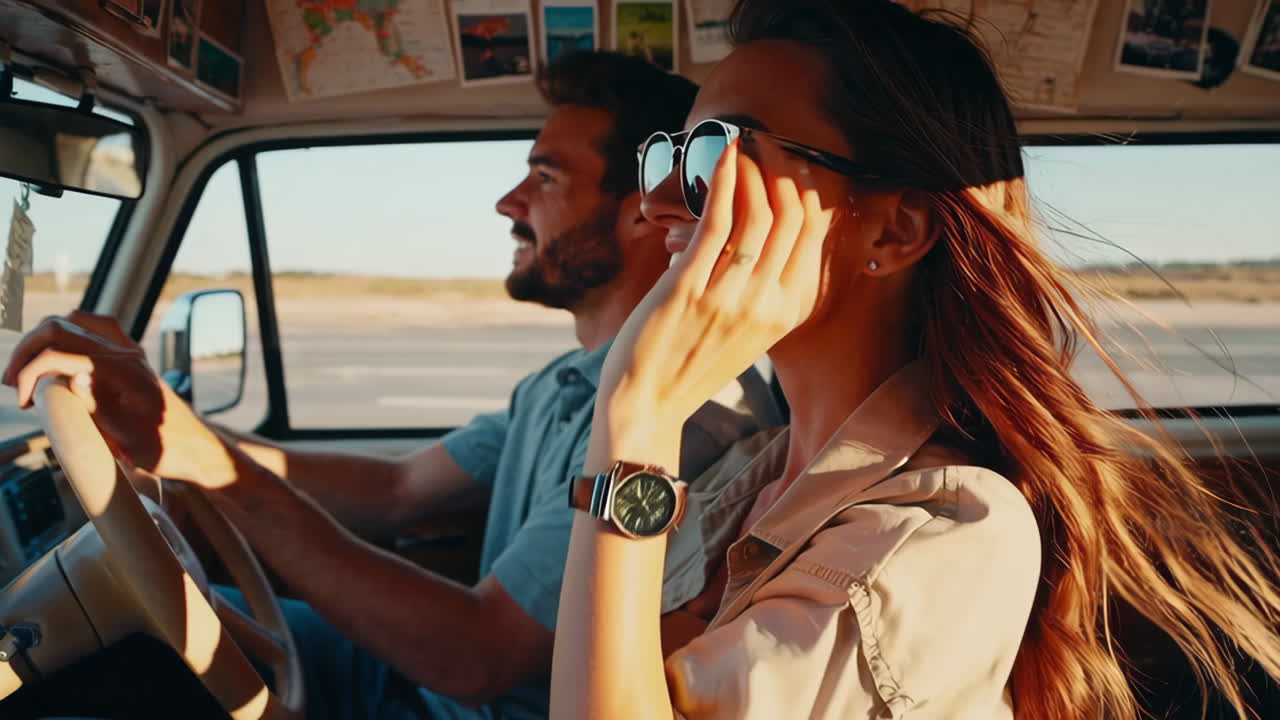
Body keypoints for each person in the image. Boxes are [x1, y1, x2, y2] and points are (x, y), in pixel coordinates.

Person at [549, 2, 1280, 719]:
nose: (660, 203)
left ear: (894, 231)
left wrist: (638, 413)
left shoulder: (946, 530)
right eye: (670, 156)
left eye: (718, 157)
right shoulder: (750, 473)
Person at [3, 51, 757, 719]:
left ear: (640, 212)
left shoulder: (675, 422)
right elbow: (397, 490)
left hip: (454, 704)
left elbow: (481, 656)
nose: (509, 202)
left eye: (545, 177)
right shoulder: (564, 384)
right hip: (400, 681)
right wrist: (174, 432)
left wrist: (210, 462)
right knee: (142, 635)